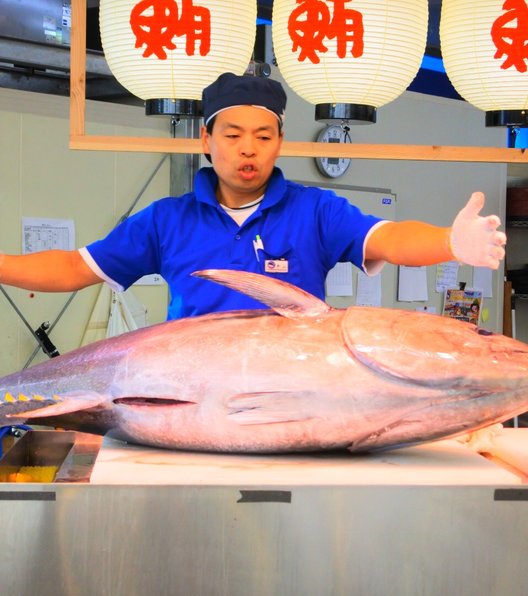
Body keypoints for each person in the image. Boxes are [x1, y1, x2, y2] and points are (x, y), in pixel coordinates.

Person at [0, 73, 506, 320]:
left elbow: (389, 238)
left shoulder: (316, 211)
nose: (249, 149)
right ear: (206, 140)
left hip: (294, 397)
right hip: (191, 393)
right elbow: (74, 268)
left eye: (264, 137)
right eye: (233, 134)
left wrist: (449, 241)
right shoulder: (165, 220)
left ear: (280, 142)